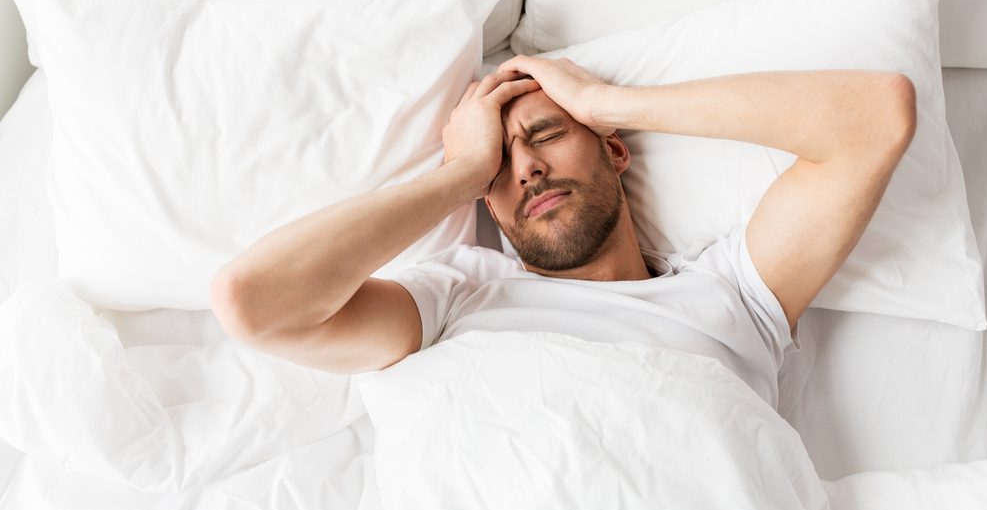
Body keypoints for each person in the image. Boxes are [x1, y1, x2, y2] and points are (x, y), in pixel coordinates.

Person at [210, 56, 915, 407]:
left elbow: (878, 115)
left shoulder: (733, 293)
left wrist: (606, 100)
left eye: (546, 133)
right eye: (501, 168)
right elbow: (252, 299)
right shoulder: (455, 297)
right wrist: (460, 173)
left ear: (613, 149)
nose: (528, 169)